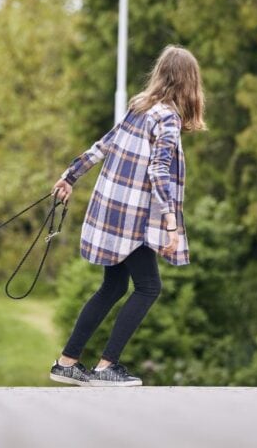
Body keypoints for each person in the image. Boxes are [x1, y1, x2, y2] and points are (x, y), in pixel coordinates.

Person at [50, 45, 206, 387]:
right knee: (149, 287)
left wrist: (70, 175)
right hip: (134, 216)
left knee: (114, 285)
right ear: (188, 83)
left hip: (112, 210)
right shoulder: (166, 117)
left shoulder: (139, 107)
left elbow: (104, 144)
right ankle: (107, 367)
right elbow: (159, 171)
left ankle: (67, 361)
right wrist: (171, 223)